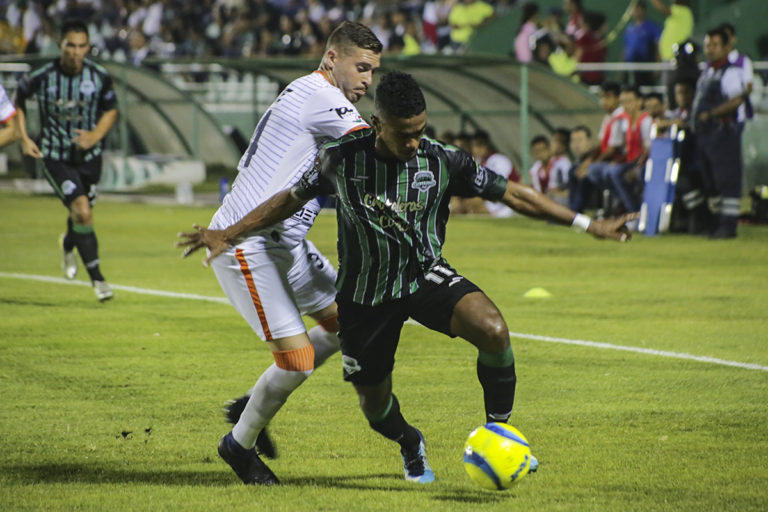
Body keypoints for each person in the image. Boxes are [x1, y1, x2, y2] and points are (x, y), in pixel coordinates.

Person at [177, 70, 636, 484]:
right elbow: (287, 200)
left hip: (424, 277)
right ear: (377, 125)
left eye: (420, 131)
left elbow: (515, 195)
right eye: (404, 135)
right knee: (377, 410)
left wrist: (588, 224)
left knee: (494, 330)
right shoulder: (340, 160)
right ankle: (409, 442)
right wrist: (227, 233)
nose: (415, 143)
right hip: (364, 300)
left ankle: (504, 434)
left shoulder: (442, 160)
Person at [176, 22, 382, 485]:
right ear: (332, 59)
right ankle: (240, 445)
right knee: (298, 360)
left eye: (373, 71)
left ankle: (248, 406)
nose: (367, 79)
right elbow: (378, 147)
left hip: (284, 243)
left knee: (352, 326)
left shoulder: (310, 91)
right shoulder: (325, 99)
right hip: (245, 242)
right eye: (361, 66)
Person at [15, 19, 118, 301]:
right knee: (83, 211)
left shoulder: (98, 76)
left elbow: (111, 110)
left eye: (81, 46)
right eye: (70, 45)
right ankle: (98, 281)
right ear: (61, 45)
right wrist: (24, 138)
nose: (75, 52)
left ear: (88, 47)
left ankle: (68, 244)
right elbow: (19, 100)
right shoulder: (43, 75)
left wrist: (95, 135)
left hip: (90, 159)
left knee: (81, 215)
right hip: (55, 157)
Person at [692, 27, 746, 239]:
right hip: (706, 136)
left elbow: (737, 100)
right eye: (707, 45)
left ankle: (728, 227)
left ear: (726, 47)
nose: (710, 49)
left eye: (715, 45)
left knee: (726, 180)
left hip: (723, 134)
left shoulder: (730, 72)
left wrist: (711, 114)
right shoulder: (708, 72)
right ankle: (716, 223)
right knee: (710, 180)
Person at [594, 86, 652, 214]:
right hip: (630, 161)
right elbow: (622, 148)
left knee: (614, 172)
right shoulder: (625, 121)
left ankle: (634, 210)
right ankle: (624, 204)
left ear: (639, 102)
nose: (626, 106)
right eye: (623, 102)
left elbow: (648, 150)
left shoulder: (646, 121)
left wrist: (635, 168)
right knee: (605, 171)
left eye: (629, 101)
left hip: (643, 163)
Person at [471, 129, 520, 217]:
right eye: (475, 146)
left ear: (487, 145)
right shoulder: (478, 161)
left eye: (480, 145)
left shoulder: (499, 160)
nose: (477, 149)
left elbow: (500, 186)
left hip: (505, 202)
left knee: (474, 202)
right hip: (491, 200)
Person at [623, 1, 662, 86]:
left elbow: (658, 47)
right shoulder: (629, 28)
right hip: (631, 67)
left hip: (646, 67)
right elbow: (625, 49)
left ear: (643, 10)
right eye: (633, 9)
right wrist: (622, 68)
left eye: (637, 9)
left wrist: (658, 65)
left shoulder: (652, 26)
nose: (635, 12)